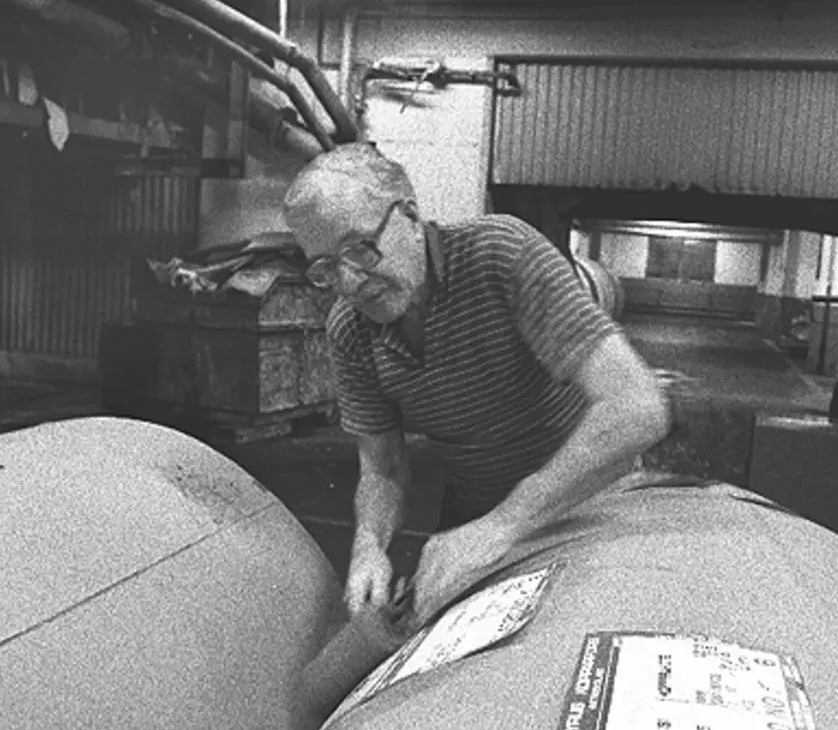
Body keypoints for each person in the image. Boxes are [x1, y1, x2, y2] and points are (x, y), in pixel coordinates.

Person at [283, 142, 673, 628]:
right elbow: (383, 469)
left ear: (410, 216)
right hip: (479, 518)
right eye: (325, 267)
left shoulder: (500, 256)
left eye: (360, 248)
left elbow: (637, 406)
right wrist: (368, 545)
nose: (350, 282)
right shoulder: (350, 329)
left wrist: (504, 526)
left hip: (586, 506)